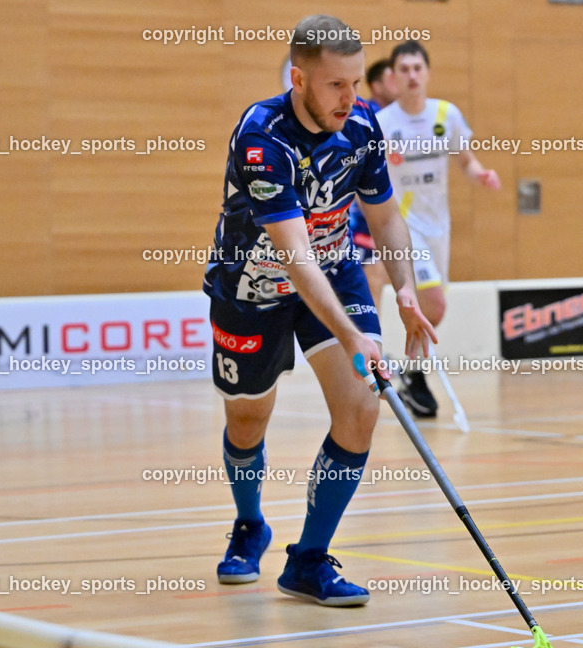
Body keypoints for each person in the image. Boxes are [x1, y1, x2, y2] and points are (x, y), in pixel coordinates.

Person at [202, 15, 436, 606]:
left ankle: (309, 559)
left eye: (357, 82)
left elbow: (384, 218)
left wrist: (404, 288)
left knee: (361, 408)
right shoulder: (262, 139)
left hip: (335, 270)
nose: (351, 98)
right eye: (336, 85)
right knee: (248, 419)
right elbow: (294, 259)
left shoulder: (360, 125)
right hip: (255, 288)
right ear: (298, 78)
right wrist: (356, 337)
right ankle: (250, 524)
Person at [375, 40, 501, 418]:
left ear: (427, 73)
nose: (412, 75)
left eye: (417, 68)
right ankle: (416, 374)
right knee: (435, 302)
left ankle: (412, 376)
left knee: (433, 307)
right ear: (393, 77)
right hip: (403, 223)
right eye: (404, 69)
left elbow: (465, 159)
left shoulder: (446, 114)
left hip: (437, 226)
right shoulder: (383, 124)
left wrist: (479, 174)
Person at [349, 58, 399, 310]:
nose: (400, 81)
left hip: (385, 209)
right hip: (362, 213)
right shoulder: (368, 115)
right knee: (371, 277)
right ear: (376, 85)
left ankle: (371, 344)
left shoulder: (401, 117)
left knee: (377, 277)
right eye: (393, 76)